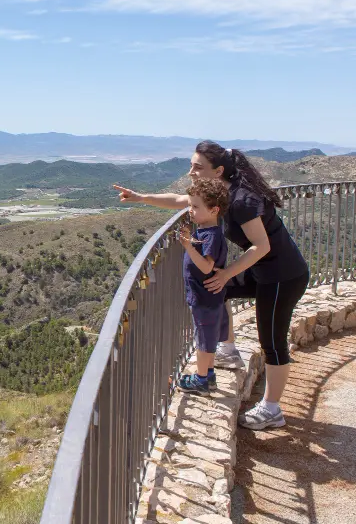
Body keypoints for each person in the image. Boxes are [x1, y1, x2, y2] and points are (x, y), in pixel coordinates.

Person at [113, 141, 309, 430]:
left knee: (272, 341)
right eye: (192, 165)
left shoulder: (241, 201)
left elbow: (261, 245)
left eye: (198, 167)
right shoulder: (217, 193)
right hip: (262, 271)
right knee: (219, 290)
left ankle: (272, 409)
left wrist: (227, 272)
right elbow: (179, 200)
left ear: (218, 171)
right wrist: (141, 197)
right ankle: (228, 349)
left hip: (282, 275)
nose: (191, 172)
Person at [176, 178, 230, 395]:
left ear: (214, 209)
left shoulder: (211, 235)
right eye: (190, 205)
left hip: (204, 298)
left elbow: (207, 267)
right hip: (206, 296)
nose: (190, 210)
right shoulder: (206, 231)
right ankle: (208, 375)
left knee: (203, 339)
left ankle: (201, 380)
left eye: (196, 207)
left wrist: (188, 246)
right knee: (206, 336)